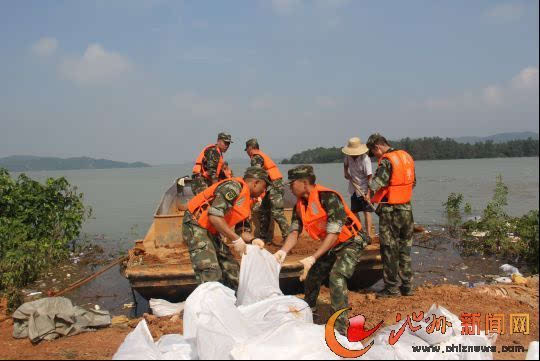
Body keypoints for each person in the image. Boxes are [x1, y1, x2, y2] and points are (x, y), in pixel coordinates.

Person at [273, 165, 368, 335]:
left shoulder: (328, 198)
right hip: (332, 243)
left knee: (337, 276)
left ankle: (340, 327)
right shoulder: (300, 205)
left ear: (304, 182)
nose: (290, 187)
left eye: (292, 183)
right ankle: (309, 311)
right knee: (312, 275)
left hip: (350, 242)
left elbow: (334, 232)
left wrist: (313, 257)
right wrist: (283, 251)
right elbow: (294, 232)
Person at [182, 166, 269, 291]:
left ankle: (232, 303)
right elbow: (214, 216)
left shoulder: (247, 201)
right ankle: (209, 305)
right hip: (196, 224)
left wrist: (253, 240)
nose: (263, 192)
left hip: (213, 230)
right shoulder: (233, 187)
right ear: (256, 183)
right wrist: (236, 239)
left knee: (233, 271)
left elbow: (242, 231)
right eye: (263, 187)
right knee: (210, 271)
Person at [366, 133, 416, 298]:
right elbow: (413, 182)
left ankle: (391, 289)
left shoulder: (387, 160)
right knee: (404, 249)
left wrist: (368, 188)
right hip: (407, 210)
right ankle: (407, 287)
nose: (374, 157)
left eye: (373, 154)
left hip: (390, 211)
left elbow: (377, 183)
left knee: (389, 249)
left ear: (377, 147)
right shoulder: (406, 157)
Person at [245, 138, 289, 244]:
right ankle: (264, 238)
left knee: (277, 212)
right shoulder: (261, 155)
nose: (247, 152)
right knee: (264, 210)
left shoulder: (256, 157)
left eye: (246, 149)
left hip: (274, 186)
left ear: (250, 148)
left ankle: (288, 237)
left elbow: (255, 175)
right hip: (271, 186)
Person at [342, 137, 375, 239]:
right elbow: (345, 165)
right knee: (354, 212)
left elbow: (370, 177)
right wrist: (346, 173)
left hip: (365, 188)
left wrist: (368, 194)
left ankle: (368, 234)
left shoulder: (365, 159)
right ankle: (361, 232)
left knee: (367, 212)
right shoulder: (348, 157)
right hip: (354, 188)